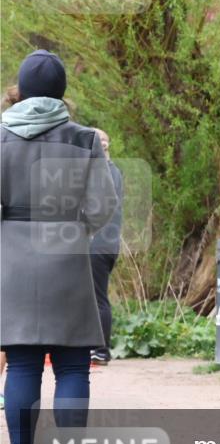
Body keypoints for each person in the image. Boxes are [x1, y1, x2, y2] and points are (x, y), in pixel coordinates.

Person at [1, 50, 116, 444]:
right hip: (67, 256)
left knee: (23, 365)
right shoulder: (83, 138)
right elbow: (103, 206)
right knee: (71, 366)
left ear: (21, 89)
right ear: (62, 92)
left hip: (11, 261)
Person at [89, 128, 123, 366]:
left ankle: (101, 350)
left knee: (97, 297)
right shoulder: (112, 172)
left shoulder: (103, 175)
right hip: (107, 243)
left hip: (98, 244)